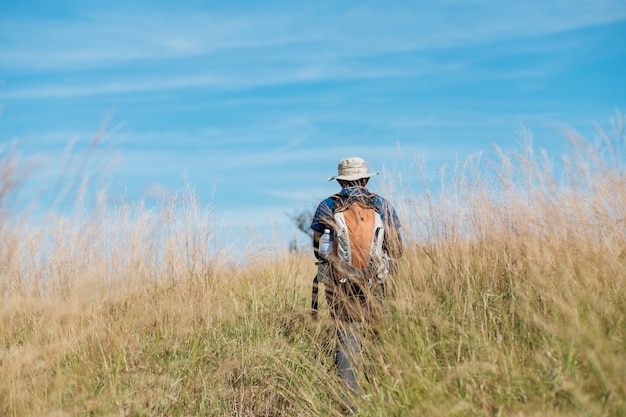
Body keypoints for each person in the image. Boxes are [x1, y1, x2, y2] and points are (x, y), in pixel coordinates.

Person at [310, 156, 402, 398]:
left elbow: (317, 248)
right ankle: (382, 394)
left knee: (346, 336)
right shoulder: (382, 204)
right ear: (367, 178)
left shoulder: (327, 205)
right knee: (377, 335)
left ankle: (350, 402)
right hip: (377, 282)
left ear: (340, 181)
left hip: (341, 283)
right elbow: (398, 250)